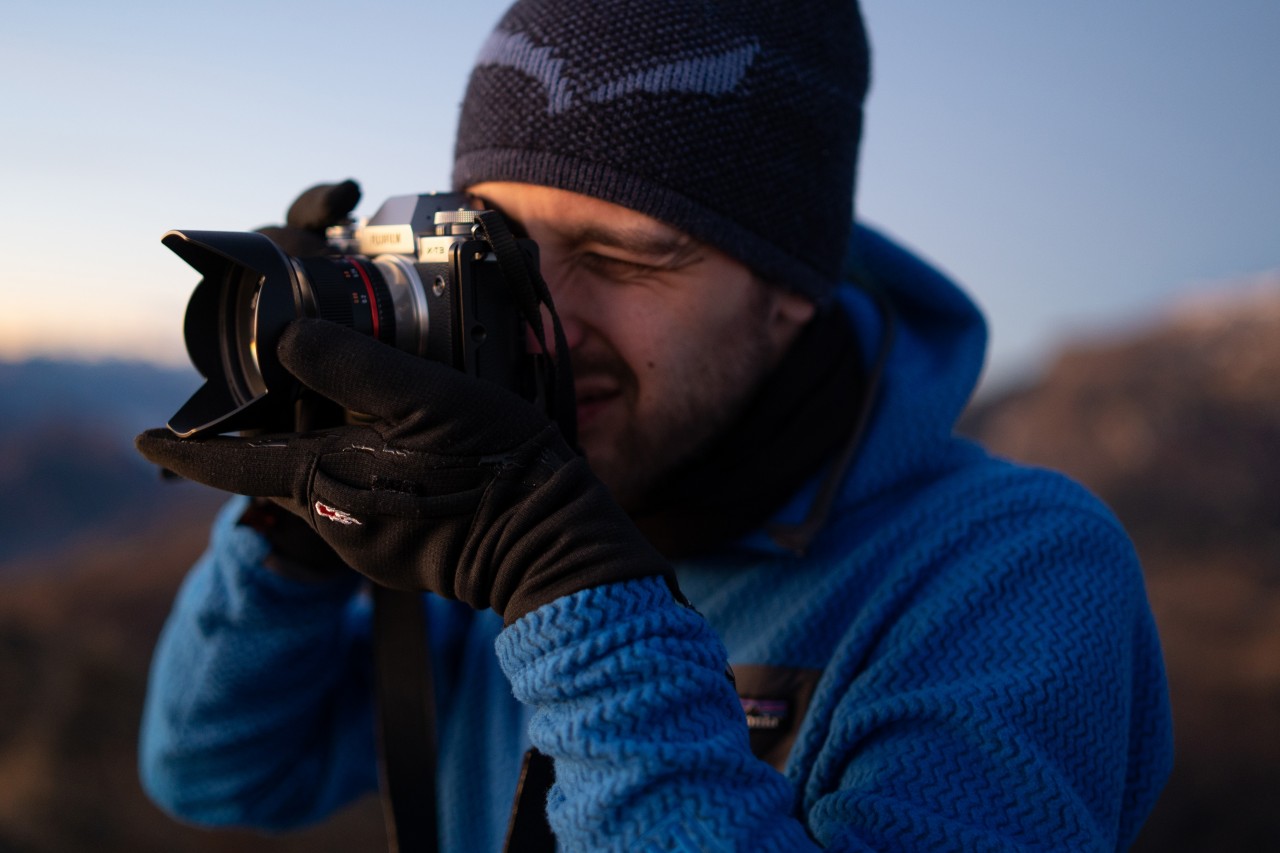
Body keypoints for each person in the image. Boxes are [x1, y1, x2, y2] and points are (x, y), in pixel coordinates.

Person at [135, 0, 1174, 849]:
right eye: (496, 251)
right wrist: (297, 535)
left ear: (790, 288)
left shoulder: (1015, 572)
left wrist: (579, 601)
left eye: (628, 259)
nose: (539, 322)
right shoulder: (482, 490)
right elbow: (217, 771)